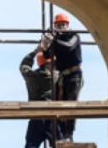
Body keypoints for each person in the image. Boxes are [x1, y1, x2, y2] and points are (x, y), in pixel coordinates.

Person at [35, 12, 83, 140]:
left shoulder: (74, 36)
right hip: (63, 76)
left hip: (74, 76)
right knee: (59, 103)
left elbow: (68, 47)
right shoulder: (56, 40)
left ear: (67, 25)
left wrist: (54, 40)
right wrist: (45, 44)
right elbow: (46, 56)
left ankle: (69, 133)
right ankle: (62, 133)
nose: (61, 27)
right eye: (58, 25)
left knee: (71, 104)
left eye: (63, 25)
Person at [17, 51, 56, 148]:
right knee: (58, 147)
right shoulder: (55, 77)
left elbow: (23, 66)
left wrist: (35, 51)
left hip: (36, 118)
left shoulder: (31, 76)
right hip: (52, 118)